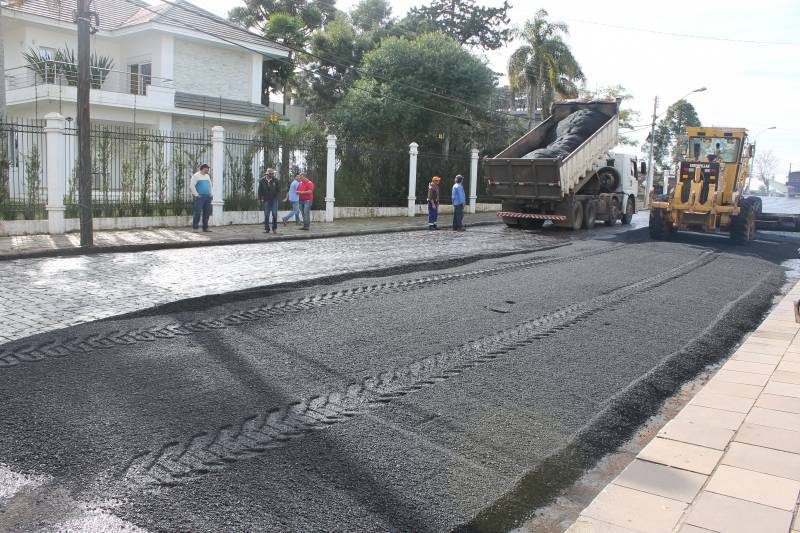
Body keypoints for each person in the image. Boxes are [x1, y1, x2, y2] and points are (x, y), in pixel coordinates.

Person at [190, 163, 213, 232]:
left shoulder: (207, 176)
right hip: (200, 197)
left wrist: (211, 194)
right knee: (198, 212)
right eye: (207, 168)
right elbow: (192, 186)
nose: (208, 170)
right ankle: (195, 228)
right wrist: (196, 195)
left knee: (207, 213)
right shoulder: (196, 176)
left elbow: (210, 185)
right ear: (203, 168)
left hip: (208, 197)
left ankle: (205, 228)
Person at [258, 168, 280, 234]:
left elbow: (278, 190)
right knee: (266, 215)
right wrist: (260, 199)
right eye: (272, 173)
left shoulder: (276, 180)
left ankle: (274, 228)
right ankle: (267, 229)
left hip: (274, 200)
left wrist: (277, 197)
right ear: (268, 174)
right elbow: (260, 191)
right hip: (266, 200)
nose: (273, 174)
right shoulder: (262, 181)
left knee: (274, 214)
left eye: (273, 173)